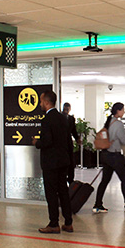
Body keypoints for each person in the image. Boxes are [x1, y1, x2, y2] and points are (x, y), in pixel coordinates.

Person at [33, 90, 73, 234]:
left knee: (51, 193)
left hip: (51, 163)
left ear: (47, 102)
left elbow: (48, 141)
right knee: (63, 191)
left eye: (41, 100)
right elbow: (68, 141)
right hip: (63, 161)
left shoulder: (47, 120)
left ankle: (54, 223)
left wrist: (37, 142)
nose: (40, 103)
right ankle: (68, 223)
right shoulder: (63, 118)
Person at [93, 102, 125, 213]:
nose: (124, 111)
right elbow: (124, 140)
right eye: (123, 109)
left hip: (105, 155)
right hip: (115, 156)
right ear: (118, 111)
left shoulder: (108, 122)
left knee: (104, 181)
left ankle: (97, 205)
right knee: (124, 179)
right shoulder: (118, 124)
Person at [62, 102, 80, 184]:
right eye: (65, 108)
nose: (67, 110)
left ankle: (70, 178)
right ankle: (63, 177)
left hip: (68, 142)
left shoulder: (71, 119)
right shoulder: (59, 117)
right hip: (61, 142)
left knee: (71, 161)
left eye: (68, 108)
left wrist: (77, 139)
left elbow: (73, 130)